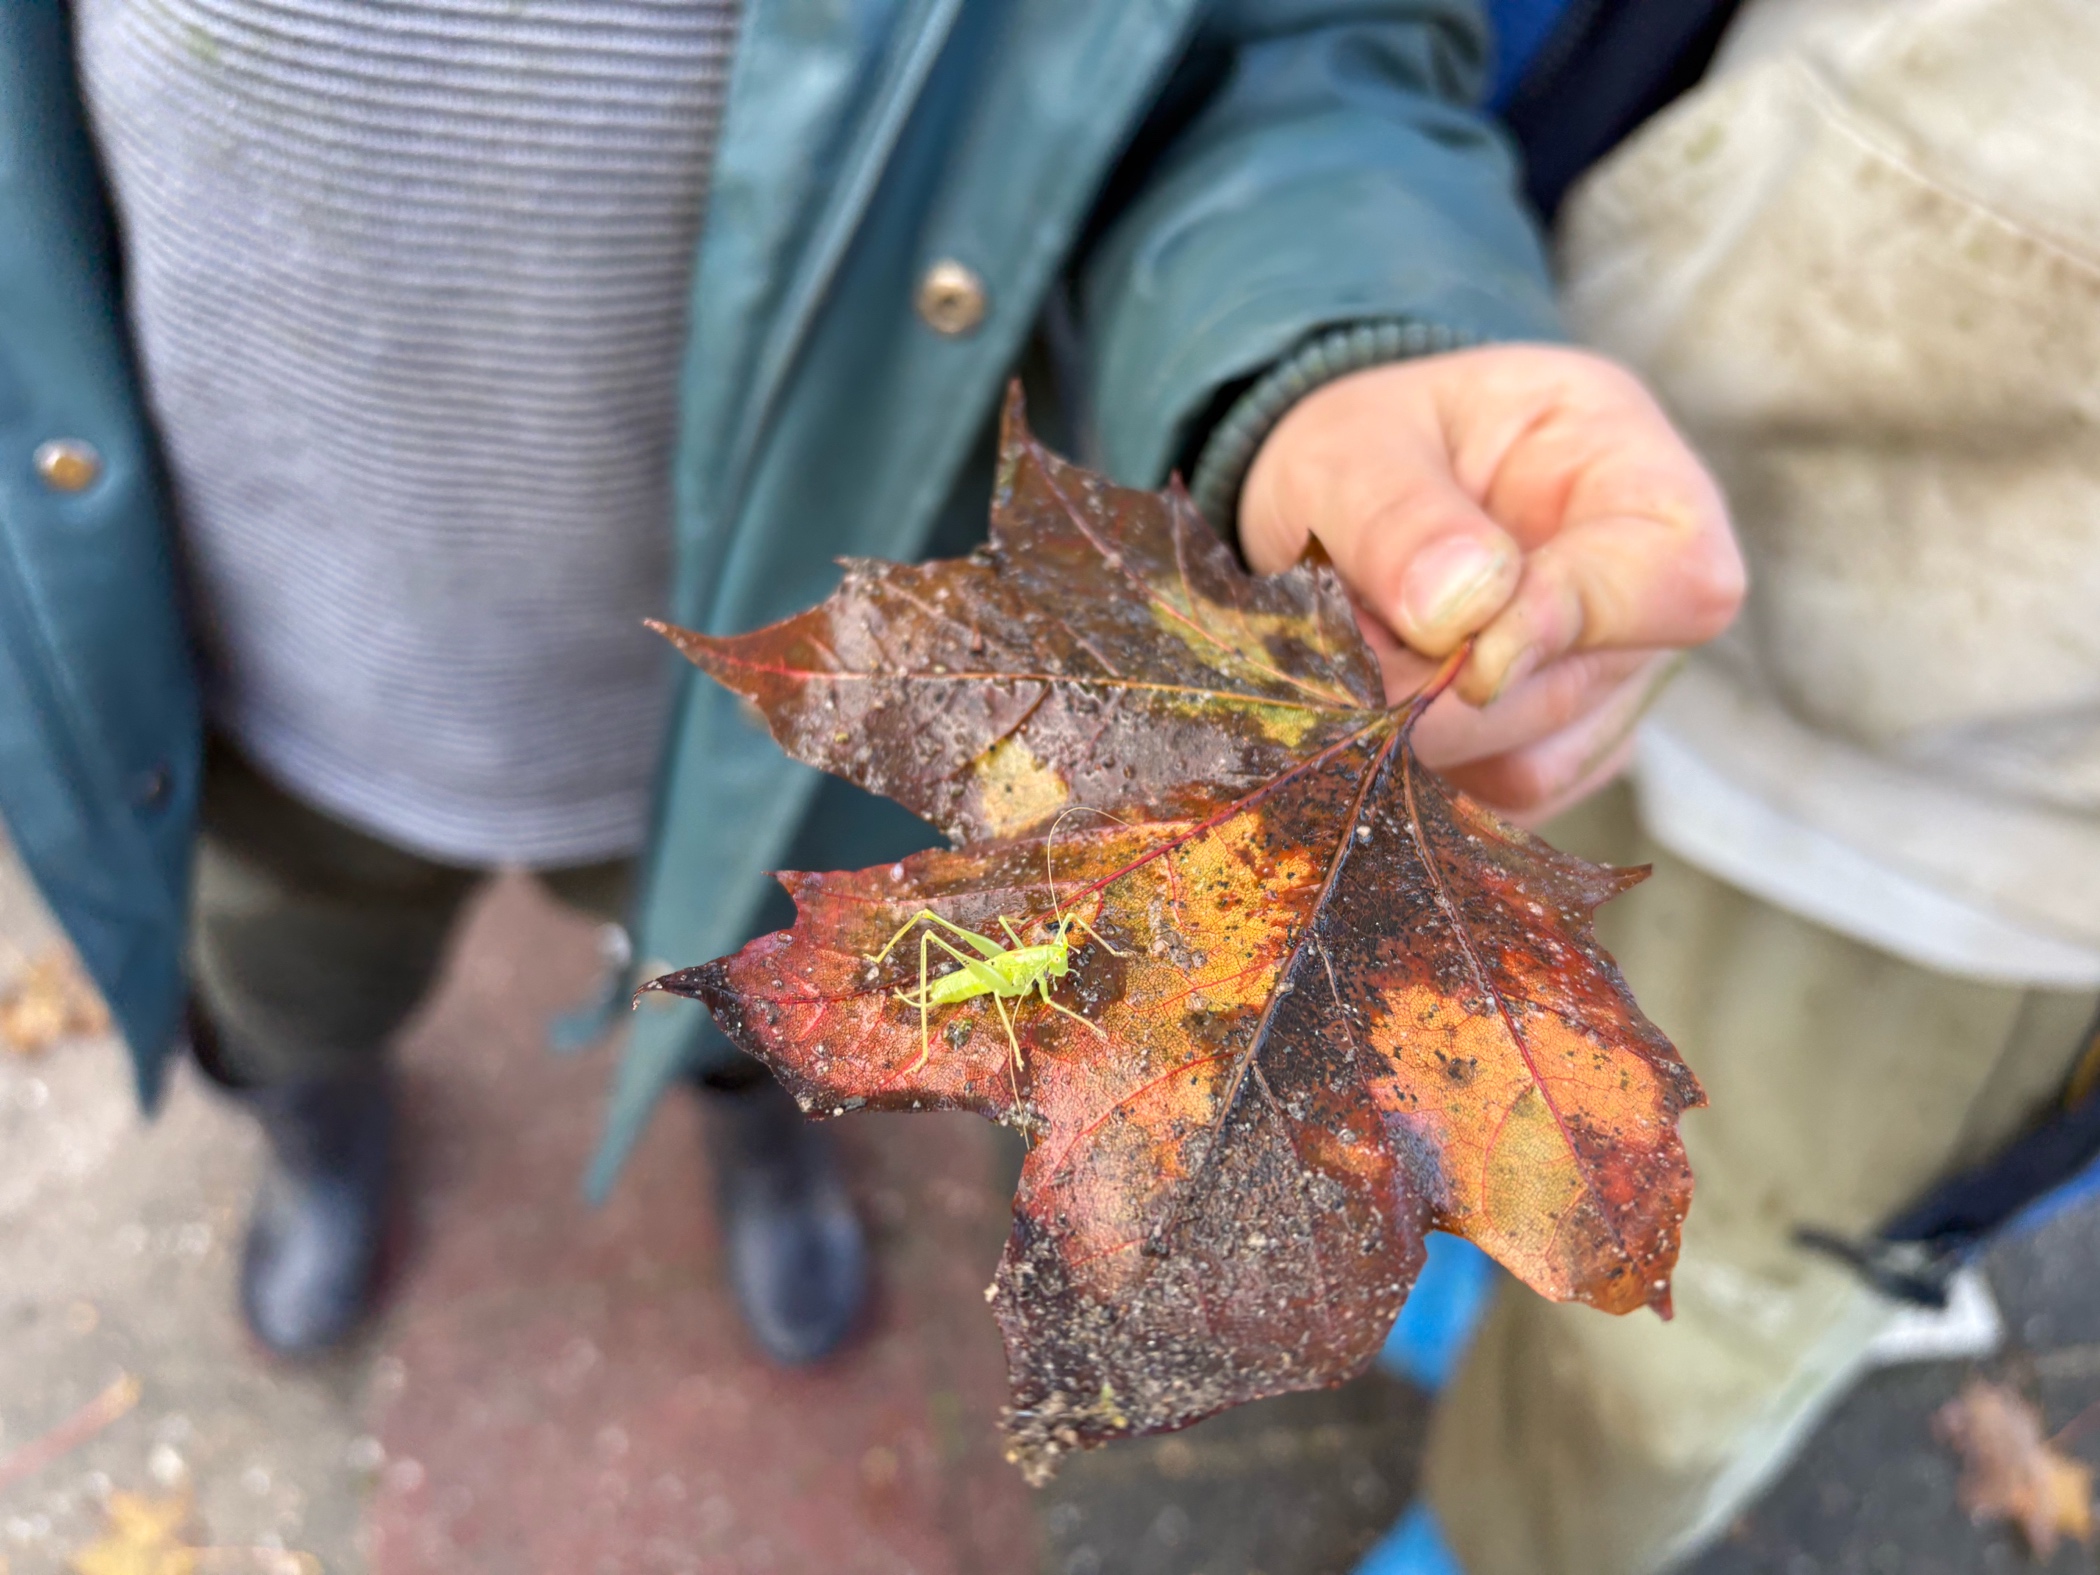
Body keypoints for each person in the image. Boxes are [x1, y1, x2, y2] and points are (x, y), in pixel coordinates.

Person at [0, 0, 1737, 1374]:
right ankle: (312, 1120)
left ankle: (756, 1105)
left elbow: (1265, 52)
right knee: (287, 970)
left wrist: (1325, 337)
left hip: (748, 709)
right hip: (250, 673)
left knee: (753, 971)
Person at [1351, 1, 2100, 1571]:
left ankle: (1507, 1544)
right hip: (1602, 425)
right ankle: (1461, 1255)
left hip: (1983, 864)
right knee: (1448, 1022)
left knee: (1664, 1347)